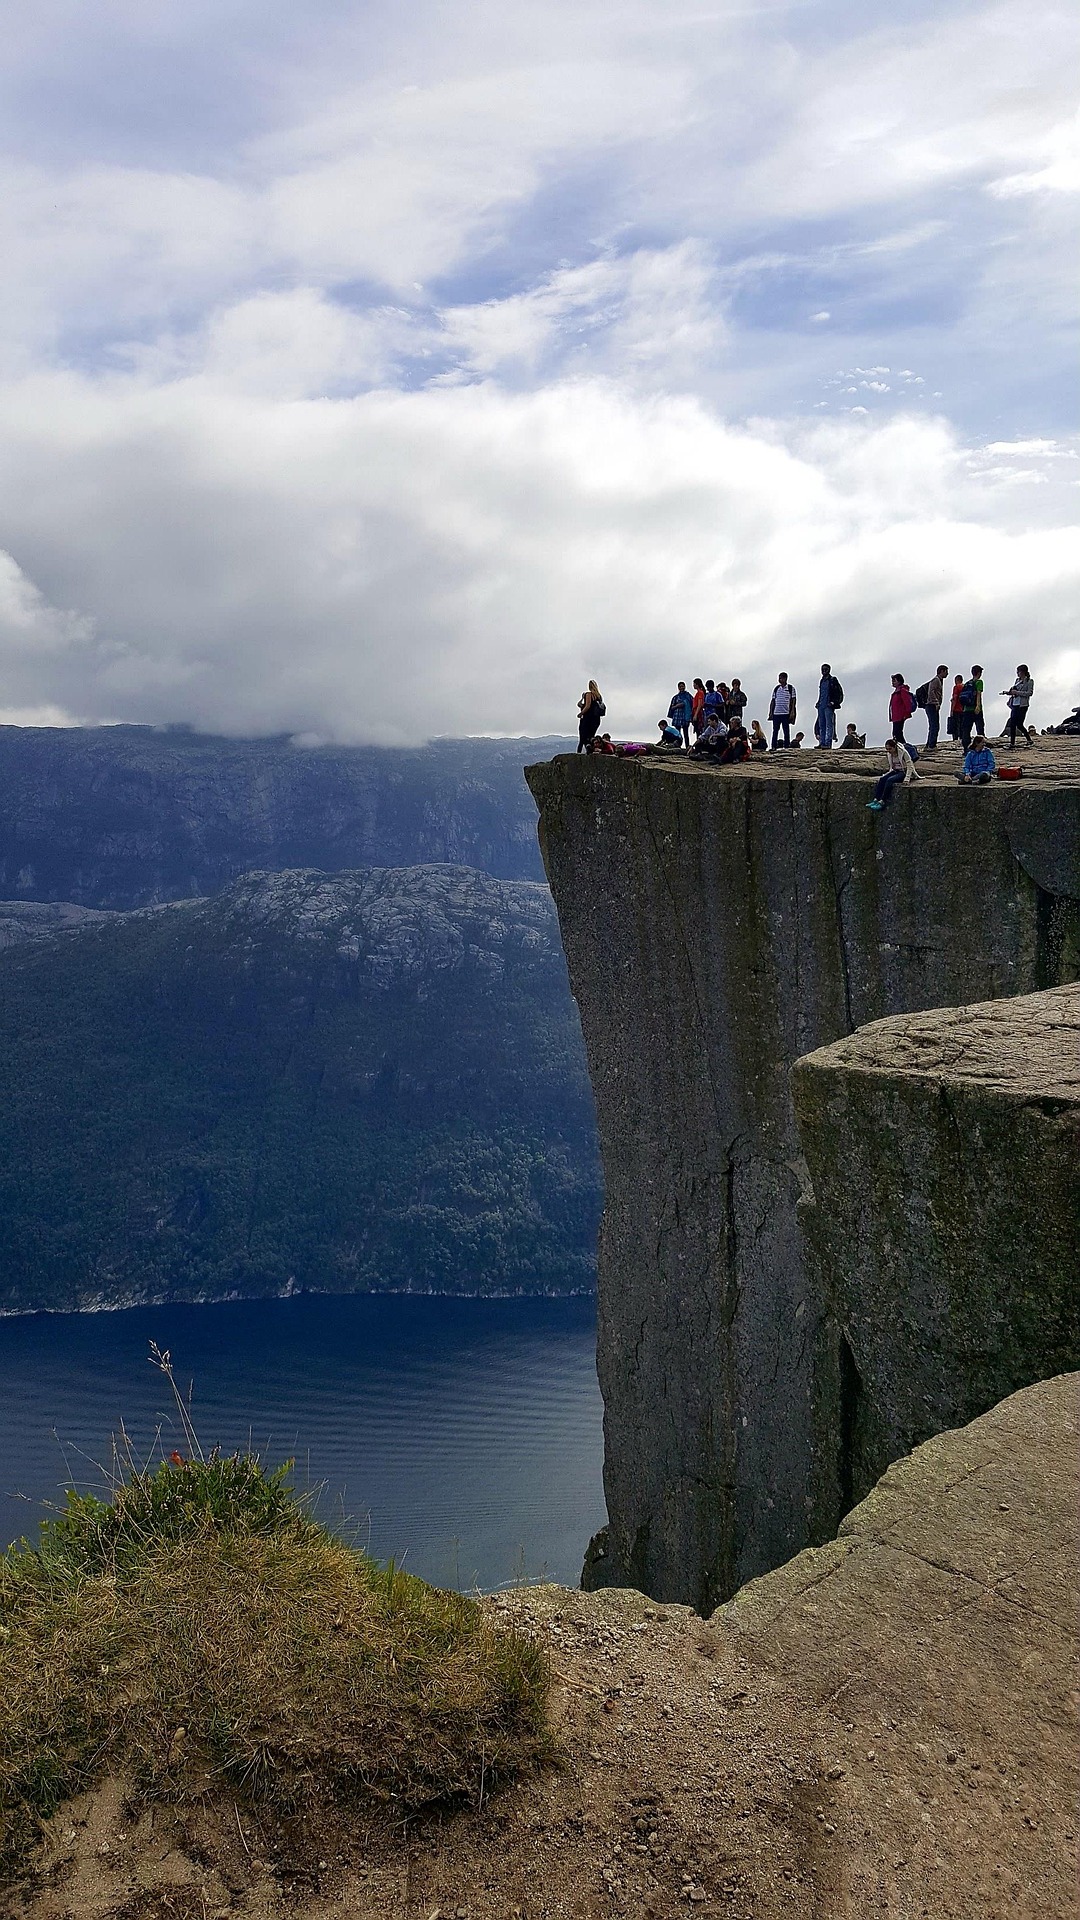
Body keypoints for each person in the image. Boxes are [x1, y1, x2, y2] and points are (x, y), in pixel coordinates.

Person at [866, 738, 919, 810]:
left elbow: (910, 765)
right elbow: (892, 767)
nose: (888, 751)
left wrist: (907, 778)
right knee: (882, 779)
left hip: (903, 772)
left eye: (890, 749)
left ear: (894, 747)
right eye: (887, 749)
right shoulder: (889, 754)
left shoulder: (903, 752)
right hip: (895, 771)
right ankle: (876, 800)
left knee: (890, 780)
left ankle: (882, 802)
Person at [1002, 665, 1034, 746]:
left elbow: (1029, 693)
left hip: (1023, 705)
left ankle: (1029, 739)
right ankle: (1012, 743)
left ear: (1023, 672)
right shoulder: (1017, 680)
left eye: (1018, 672)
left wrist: (1017, 693)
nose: (1017, 674)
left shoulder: (1029, 681)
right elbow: (1014, 691)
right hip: (1015, 704)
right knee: (1012, 723)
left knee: (1019, 724)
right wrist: (1008, 692)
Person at [815, 663, 843, 749]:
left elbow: (837, 692)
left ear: (829, 670)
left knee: (829, 724)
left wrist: (833, 702)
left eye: (825, 669)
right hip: (821, 705)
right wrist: (818, 702)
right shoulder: (822, 680)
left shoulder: (832, 680)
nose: (823, 671)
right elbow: (821, 693)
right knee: (821, 725)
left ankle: (828, 743)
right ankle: (822, 742)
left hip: (828, 705)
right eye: (822, 669)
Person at [921, 665, 948, 749]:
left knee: (933, 725)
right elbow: (931, 691)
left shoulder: (939, 680)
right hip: (931, 705)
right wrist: (936, 702)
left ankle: (929, 744)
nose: (947, 673)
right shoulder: (936, 680)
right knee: (934, 726)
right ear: (942, 671)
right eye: (946, 671)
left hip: (932, 705)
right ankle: (931, 745)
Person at [769, 673, 796, 748]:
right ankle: (773, 746)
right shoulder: (777, 688)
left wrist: (792, 712)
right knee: (775, 730)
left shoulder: (790, 688)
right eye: (779, 678)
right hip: (776, 713)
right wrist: (771, 712)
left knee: (786, 731)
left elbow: (793, 700)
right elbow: (773, 700)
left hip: (785, 712)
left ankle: (787, 746)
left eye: (781, 678)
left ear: (785, 679)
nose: (780, 680)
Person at [957, 670, 982, 750]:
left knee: (966, 729)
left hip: (966, 709)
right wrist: (978, 706)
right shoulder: (979, 682)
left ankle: (966, 748)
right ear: (979, 673)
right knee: (980, 728)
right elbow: (978, 694)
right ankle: (980, 746)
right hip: (975, 709)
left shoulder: (967, 683)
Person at [577, 681, 604, 752]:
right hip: (596, 719)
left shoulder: (588, 694)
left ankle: (580, 752)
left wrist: (581, 713)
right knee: (591, 736)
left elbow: (587, 706)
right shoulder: (599, 696)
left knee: (583, 737)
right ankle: (591, 750)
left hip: (587, 718)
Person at [889, 673, 916, 742]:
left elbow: (907, 703)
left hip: (900, 715)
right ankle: (900, 748)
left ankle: (904, 748)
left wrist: (906, 714)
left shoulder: (902, 690)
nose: (892, 682)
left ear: (899, 681)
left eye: (894, 681)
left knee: (897, 733)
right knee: (896, 733)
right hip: (896, 716)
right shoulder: (897, 691)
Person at [668, 681, 694, 751]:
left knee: (686, 733)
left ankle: (687, 747)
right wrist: (678, 705)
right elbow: (672, 708)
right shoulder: (675, 697)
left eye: (683, 686)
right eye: (680, 686)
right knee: (677, 734)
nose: (682, 688)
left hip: (685, 717)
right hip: (677, 717)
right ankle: (677, 747)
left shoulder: (688, 696)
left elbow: (693, 704)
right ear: (678, 688)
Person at [947, 674, 965, 743]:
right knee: (962, 725)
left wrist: (951, 710)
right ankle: (961, 737)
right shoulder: (965, 687)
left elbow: (955, 698)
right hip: (963, 709)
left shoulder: (956, 687)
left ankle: (955, 739)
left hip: (956, 708)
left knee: (955, 725)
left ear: (957, 680)